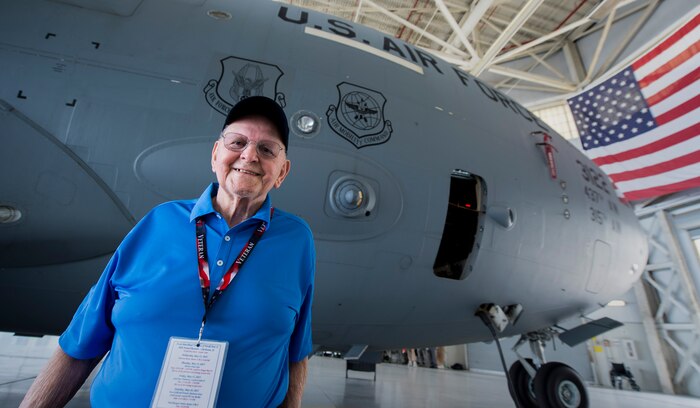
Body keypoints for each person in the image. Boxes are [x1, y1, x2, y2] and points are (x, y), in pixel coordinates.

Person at [20, 96, 315, 408]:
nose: (249, 155)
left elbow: (295, 354)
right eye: (237, 142)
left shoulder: (295, 241)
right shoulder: (159, 223)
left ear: (282, 172)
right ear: (216, 155)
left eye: (266, 149)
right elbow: (80, 342)